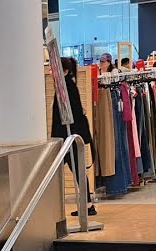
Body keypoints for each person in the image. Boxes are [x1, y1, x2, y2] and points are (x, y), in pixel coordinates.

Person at [51, 56, 97, 216]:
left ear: (65, 70)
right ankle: (88, 204)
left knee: (75, 170)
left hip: (68, 137)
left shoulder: (67, 87)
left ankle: (88, 204)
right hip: (68, 136)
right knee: (76, 170)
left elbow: (71, 115)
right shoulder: (66, 86)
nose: (52, 71)